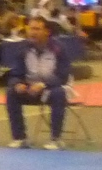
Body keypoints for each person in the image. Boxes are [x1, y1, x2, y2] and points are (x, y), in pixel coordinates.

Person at [5, 17, 71, 150]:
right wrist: (17, 83)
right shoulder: (23, 48)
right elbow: (15, 73)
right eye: (30, 29)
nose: (32, 32)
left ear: (47, 31)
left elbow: (62, 76)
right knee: (11, 92)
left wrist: (44, 84)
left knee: (59, 93)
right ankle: (20, 138)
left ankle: (56, 139)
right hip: (31, 89)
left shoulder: (59, 48)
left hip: (52, 88)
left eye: (37, 29)